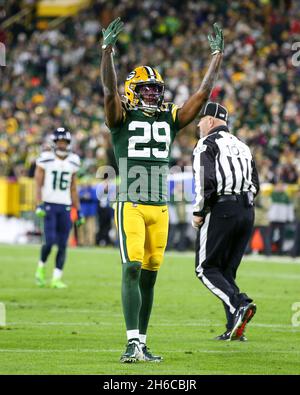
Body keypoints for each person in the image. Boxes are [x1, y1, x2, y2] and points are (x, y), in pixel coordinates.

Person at [100, 17, 224, 362]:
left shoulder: (169, 117)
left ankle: (142, 340)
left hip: (161, 206)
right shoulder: (120, 117)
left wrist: (216, 58)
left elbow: (201, 96)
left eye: (156, 89)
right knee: (131, 268)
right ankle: (130, 343)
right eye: (146, 89)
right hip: (131, 203)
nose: (153, 93)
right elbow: (109, 91)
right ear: (133, 92)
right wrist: (107, 52)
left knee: (150, 277)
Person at [192, 102, 259, 341]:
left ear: (210, 120)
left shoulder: (206, 144)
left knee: (205, 269)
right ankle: (234, 326)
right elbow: (256, 184)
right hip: (247, 210)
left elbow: (205, 181)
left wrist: (199, 211)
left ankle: (239, 303)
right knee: (227, 270)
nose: (199, 124)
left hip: (223, 208)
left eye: (201, 120)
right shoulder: (242, 145)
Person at [34, 127, 85, 288]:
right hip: (49, 204)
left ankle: (57, 277)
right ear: (54, 143)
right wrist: (39, 204)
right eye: (60, 142)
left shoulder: (73, 160)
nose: (62, 145)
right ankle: (41, 268)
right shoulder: (45, 159)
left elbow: (73, 188)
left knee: (63, 244)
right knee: (49, 242)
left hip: (65, 206)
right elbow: (38, 184)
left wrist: (79, 209)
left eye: (65, 142)